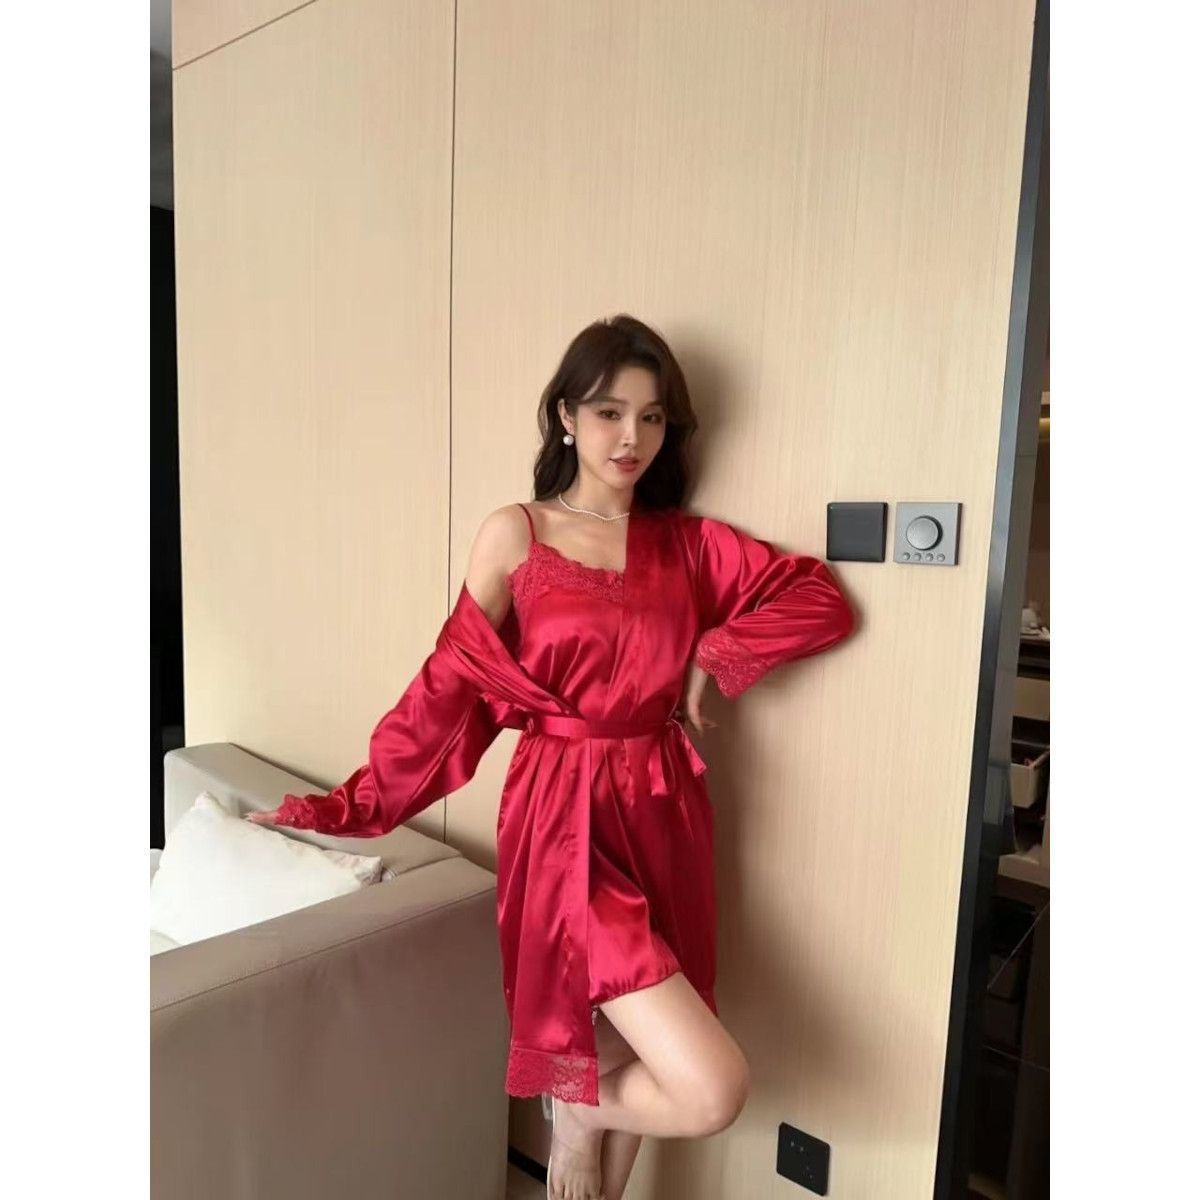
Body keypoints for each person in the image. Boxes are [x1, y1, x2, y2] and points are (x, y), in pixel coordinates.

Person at [247, 314, 856, 1200]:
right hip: (562, 818)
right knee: (710, 1089)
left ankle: (582, 1117)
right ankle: (576, 1111)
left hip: (665, 809)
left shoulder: (689, 546)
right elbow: (447, 689)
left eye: (652, 417)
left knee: (626, 1060)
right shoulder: (517, 534)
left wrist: (713, 653)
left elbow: (819, 600)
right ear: (566, 416)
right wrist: (344, 807)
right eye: (610, 412)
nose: (632, 437)